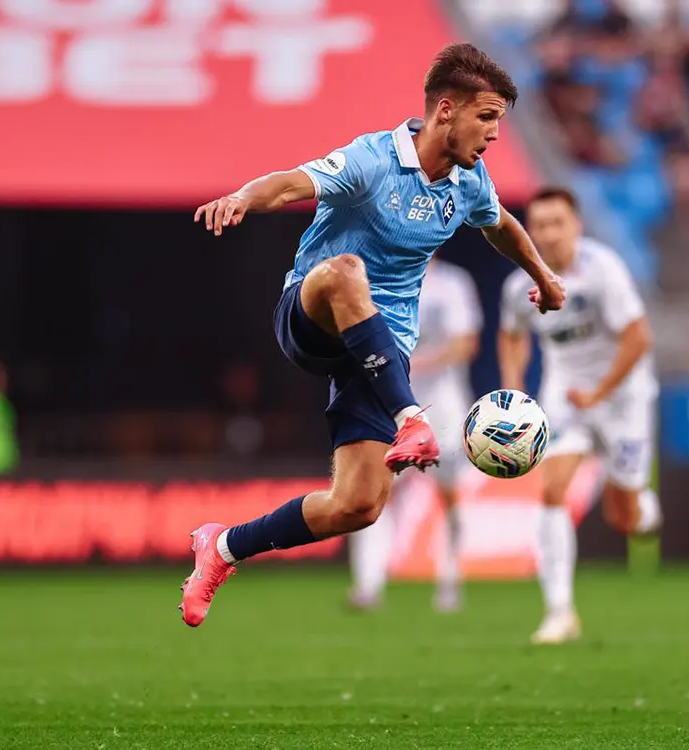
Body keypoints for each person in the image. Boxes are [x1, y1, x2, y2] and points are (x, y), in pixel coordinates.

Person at [180, 43, 566, 628]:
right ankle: (411, 417)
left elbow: (501, 225)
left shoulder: (468, 181)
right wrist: (241, 198)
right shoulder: (373, 159)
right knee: (346, 271)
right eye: (486, 117)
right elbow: (289, 184)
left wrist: (543, 276)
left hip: (379, 352)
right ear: (445, 111)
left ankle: (224, 547)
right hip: (312, 314)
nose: (493, 133)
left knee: (357, 506)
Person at [499, 187, 660, 645]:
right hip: (566, 395)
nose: (548, 233)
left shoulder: (602, 268)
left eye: (557, 223)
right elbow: (511, 335)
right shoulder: (519, 285)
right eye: (539, 224)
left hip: (623, 396)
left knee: (625, 519)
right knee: (552, 490)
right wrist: (513, 391)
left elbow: (638, 337)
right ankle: (560, 611)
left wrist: (600, 393)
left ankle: (641, 506)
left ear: (577, 226)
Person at [348, 257, 482, 612]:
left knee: (448, 495)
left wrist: (418, 361)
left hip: (444, 407)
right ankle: (368, 585)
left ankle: (450, 580)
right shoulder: (380, 281)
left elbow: (466, 344)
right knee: (376, 491)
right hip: (394, 404)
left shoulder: (452, 283)